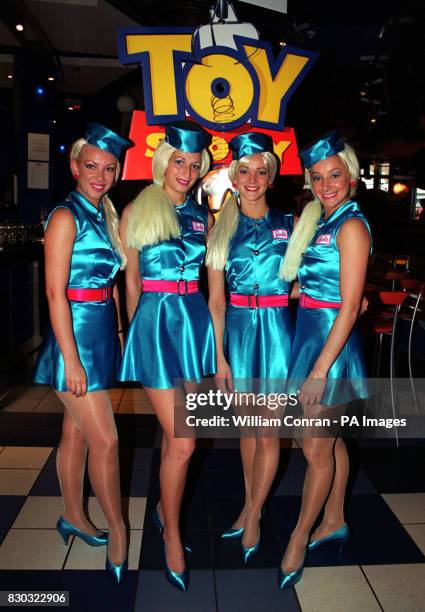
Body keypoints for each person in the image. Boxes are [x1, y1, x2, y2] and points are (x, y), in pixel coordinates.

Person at [33, 123, 132, 583]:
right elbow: (55, 294)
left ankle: (73, 513)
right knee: (106, 440)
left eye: (109, 167)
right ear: (74, 166)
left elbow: (108, 283)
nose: (100, 174)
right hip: (71, 337)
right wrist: (70, 359)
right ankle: (118, 528)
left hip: (98, 334)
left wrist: (116, 326)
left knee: (75, 434)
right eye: (91, 165)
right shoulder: (65, 216)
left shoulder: (104, 214)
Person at [119, 120, 215, 591]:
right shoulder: (138, 207)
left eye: (194, 165)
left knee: (173, 433)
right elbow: (131, 281)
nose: (187, 171)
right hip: (156, 326)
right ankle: (171, 533)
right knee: (184, 440)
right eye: (179, 161)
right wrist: (136, 334)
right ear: (163, 161)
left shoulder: (205, 218)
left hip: (193, 324)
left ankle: (162, 508)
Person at [277, 130, 371, 589]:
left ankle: (299, 537)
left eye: (335, 174)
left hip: (328, 351)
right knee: (325, 442)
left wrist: (319, 371)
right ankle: (334, 518)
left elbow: (350, 306)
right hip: (310, 338)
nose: (326, 184)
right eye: (318, 177)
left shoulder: (351, 225)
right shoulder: (324, 221)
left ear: (351, 175)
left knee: (314, 447)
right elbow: (317, 287)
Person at [206, 132, 294, 563]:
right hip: (238, 330)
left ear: (272, 176)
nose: (253, 178)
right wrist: (219, 357)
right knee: (246, 429)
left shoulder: (292, 224)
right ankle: (248, 503)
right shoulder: (219, 228)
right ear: (234, 177)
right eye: (245, 171)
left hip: (277, 330)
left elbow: (306, 283)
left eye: (261, 171)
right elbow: (216, 299)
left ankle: (254, 514)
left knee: (268, 431)